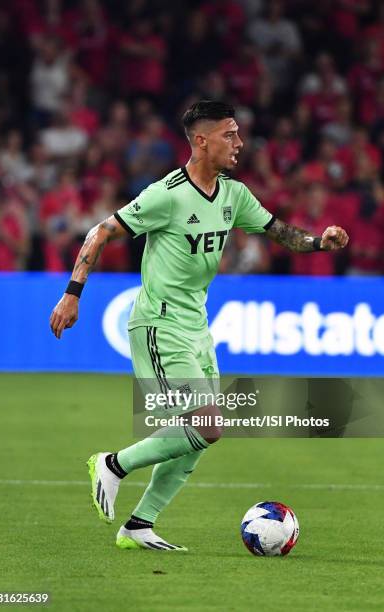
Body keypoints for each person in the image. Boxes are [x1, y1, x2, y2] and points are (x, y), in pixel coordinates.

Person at [50, 100, 348, 551]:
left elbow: (278, 232)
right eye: (230, 135)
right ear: (201, 140)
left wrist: (318, 242)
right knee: (207, 425)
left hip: (197, 329)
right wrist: (73, 293)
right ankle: (112, 464)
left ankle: (139, 526)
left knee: (199, 437)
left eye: (238, 133)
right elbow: (101, 231)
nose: (240, 143)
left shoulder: (233, 194)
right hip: (159, 324)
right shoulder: (166, 194)